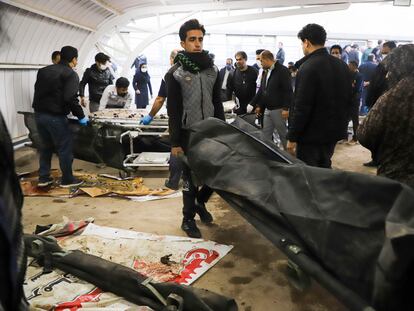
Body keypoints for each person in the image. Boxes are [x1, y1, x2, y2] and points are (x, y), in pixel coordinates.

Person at [165, 19, 225, 238]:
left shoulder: (213, 70)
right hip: (188, 133)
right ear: (183, 43)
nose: (197, 43)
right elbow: (173, 109)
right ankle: (187, 219)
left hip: (210, 131)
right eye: (192, 40)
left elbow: (217, 102)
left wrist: (222, 130)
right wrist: (175, 142)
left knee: (216, 175)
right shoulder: (175, 73)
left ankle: (200, 203)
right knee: (189, 179)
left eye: (200, 39)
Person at [287, 24, 352, 168]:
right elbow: (350, 100)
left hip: (310, 135)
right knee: (325, 167)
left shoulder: (308, 67)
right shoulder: (341, 65)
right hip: (333, 132)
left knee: (309, 174)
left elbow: (302, 106)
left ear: (307, 42)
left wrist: (292, 137)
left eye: (302, 43)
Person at [359, 44, 414, 189]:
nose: (388, 75)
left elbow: (365, 134)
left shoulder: (392, 97)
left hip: (396, 179)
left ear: (399, 67)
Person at [33, 46, 87, 187]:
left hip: (38, 115)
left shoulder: (43, 71)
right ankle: (67, 180)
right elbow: (70, 98)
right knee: (64, 149)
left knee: (45, 147)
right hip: (55, 117)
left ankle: (44, 178)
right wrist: (81, 116)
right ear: (74, 59)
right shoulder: (70, 74)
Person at [140, 49, 183, 191]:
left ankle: (173, 182)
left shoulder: (169, 74)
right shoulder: (195, 73)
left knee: (176, 148)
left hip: (177, 117)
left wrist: (150, 116)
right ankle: (193, 181)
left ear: (172, 59)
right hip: (195, 116)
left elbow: (160, 99)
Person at [362, 40, 397, 167]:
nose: (381, 48)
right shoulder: (389, 61)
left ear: (388, 47)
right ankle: (378, 159)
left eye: (383, 46)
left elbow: (383, 82)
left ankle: (378, 159)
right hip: (382, 100)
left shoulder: (392, 62)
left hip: (383, 101)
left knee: (377, 132)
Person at [251, 50, 293, 149]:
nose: (260, 63)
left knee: (283, 135)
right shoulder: (266, 71)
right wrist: (259, 106)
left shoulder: (282, 70)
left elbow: (288, 90)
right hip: (267, 109)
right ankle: (269, 157)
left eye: (261, 61)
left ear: (267, 59)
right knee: (265, 135)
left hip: (279, 109)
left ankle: (290, 159)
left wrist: (286, 108)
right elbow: (263, 90)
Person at [348, 60, 363, 143]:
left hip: (355, 100)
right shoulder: (347, 75)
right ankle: (344, 136)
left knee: (355, 119)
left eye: (349, 65)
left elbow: (357, 88)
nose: (348, 66)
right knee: (345, 118)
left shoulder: (359, 76)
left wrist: (351, 86)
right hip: (347, 100)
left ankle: (356, 137)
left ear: (354, 66)